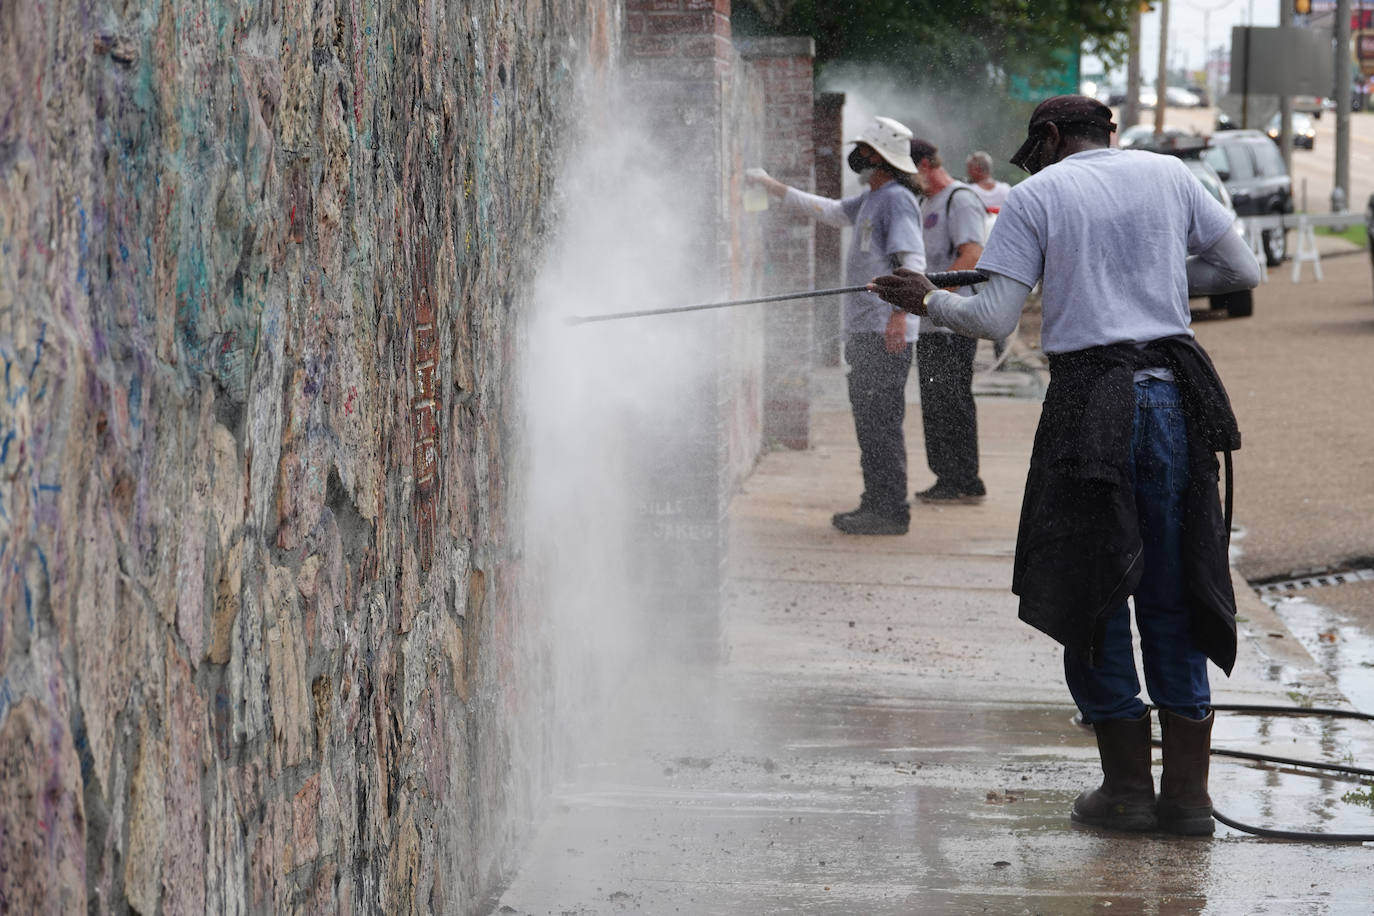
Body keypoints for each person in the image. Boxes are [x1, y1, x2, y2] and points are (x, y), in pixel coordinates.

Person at [869, 95, 1260, 836]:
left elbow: (989, 318)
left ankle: (1123, 796)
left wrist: (926, 300)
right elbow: (1241, 269)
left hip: (1091, 406)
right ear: (1108, 133)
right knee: (1174, 592)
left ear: (1048, 137)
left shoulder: (1038, 194)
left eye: (1036, 148)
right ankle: (1186, 799)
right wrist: (1151, 287)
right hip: (1173, 404)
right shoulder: (1171, 176)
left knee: (1095, 589)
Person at [746, 116, 924, 536]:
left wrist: (900, 317)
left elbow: (912, 262)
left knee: (880, 421)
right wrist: (773, 186)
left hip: (884, 331)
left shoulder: (897, 199)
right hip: (866, 329)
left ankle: (890, 510)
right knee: (869, 419)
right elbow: (827, 211)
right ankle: (876, 499)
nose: (856, 155)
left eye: (863, 148)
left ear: (878, 156)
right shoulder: (871, 198)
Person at [904, 138, 988, 504]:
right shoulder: (925, 202)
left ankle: (961, 479)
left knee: (951, 400)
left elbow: (971, 254)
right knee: (936, 400)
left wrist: (930, 297)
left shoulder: (960, 199)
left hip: (952, 320)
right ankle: (953, 477)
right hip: (932, 320)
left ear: (924, 164)